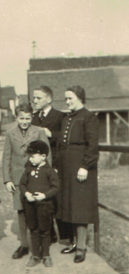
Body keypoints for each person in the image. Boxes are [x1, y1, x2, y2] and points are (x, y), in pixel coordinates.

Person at [2, 104, 51, 259]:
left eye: (28, 118)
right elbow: (6, 158)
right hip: (18, 180)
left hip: (36, 178)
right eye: (21, 118)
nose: (24, 121)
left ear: (32, 117)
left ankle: (40, 247)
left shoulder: (39, 131)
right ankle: (24, 245)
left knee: (39, 211)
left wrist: (47, 175)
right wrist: (7, 179)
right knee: (22, 212)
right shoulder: (10, 134)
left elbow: (47, 154)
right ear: (16, 117)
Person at [58, 85, 99, 263]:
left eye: (70, 98)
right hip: (67, 168)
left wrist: (85, 166)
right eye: (66, 99)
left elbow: (92, 146)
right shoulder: (67, 118)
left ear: (80, 98)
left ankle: (81, 247)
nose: (67, 102)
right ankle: (74, 242)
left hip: (81, 168)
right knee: (70, 205)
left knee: (80, 206)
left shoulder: (89, 117)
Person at [32, 86, 72, 243]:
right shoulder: (33, 118)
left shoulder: (60, 116)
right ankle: (49, 234)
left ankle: (66, 235)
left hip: (56, 163)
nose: (34, 101)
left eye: (38, 98)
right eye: (34, 98)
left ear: (48, 99)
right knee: (42, 199)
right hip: (39, 165)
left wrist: (52, 135)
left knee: (58, 198)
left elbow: (66, 139)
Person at [20, 140, 59, 267]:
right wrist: (26, 194)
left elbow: (55, 187)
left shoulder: (49, 171)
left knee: (45, 229)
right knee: (33, 229)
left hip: (44, 205)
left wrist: (44, 195)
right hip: (30, 204)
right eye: (29, 156)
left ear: (43, 156)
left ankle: (46, 255)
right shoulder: (28, 169)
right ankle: (35, 255)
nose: (30, 159)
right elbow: (22, 184)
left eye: (32, 156)